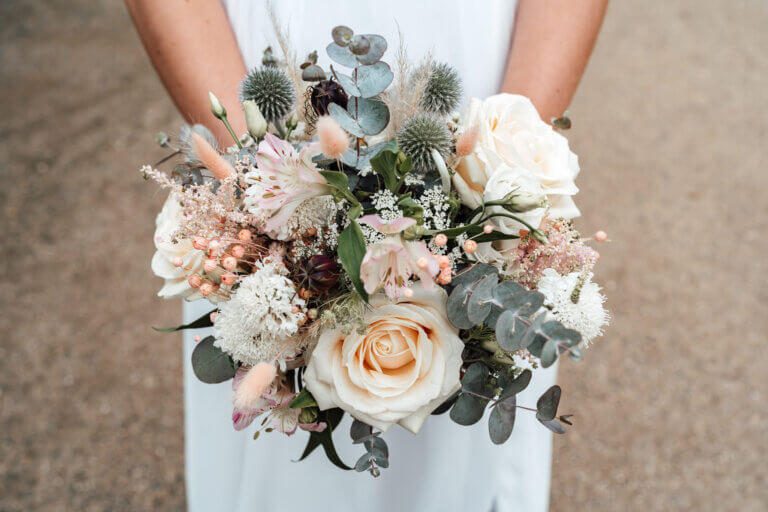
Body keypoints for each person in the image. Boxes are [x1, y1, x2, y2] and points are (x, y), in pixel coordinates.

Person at [126, 1, 608, 510]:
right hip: (260, 109)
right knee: (276, 456)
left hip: (484, 69)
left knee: (469, 423)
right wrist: (264, 185)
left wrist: (500, 161)